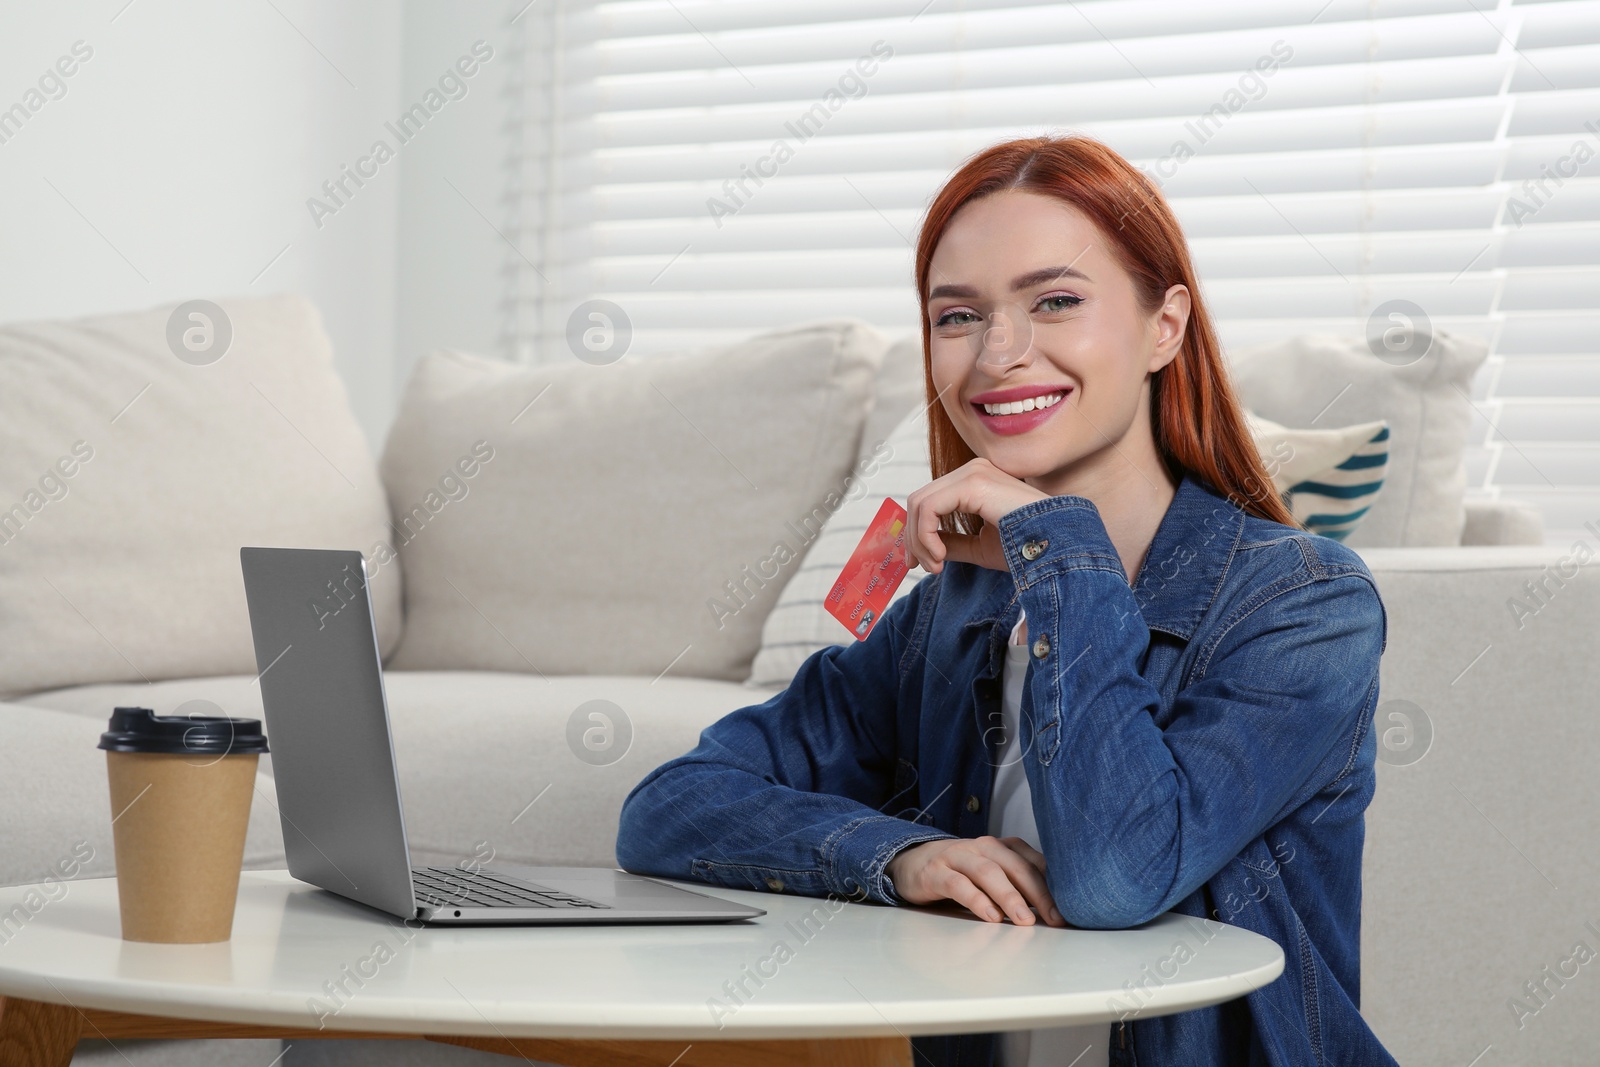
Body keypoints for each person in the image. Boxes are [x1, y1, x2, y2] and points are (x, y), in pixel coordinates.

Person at [617, 135, 1397, 1066]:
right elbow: (669, 809)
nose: (999, 353)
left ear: (1166, 326)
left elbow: (1116, 872)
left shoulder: (1303, 605)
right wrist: (894, 855)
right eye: (958, 316)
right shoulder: (947, 617)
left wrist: (1061, 548)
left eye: (1056, 301)